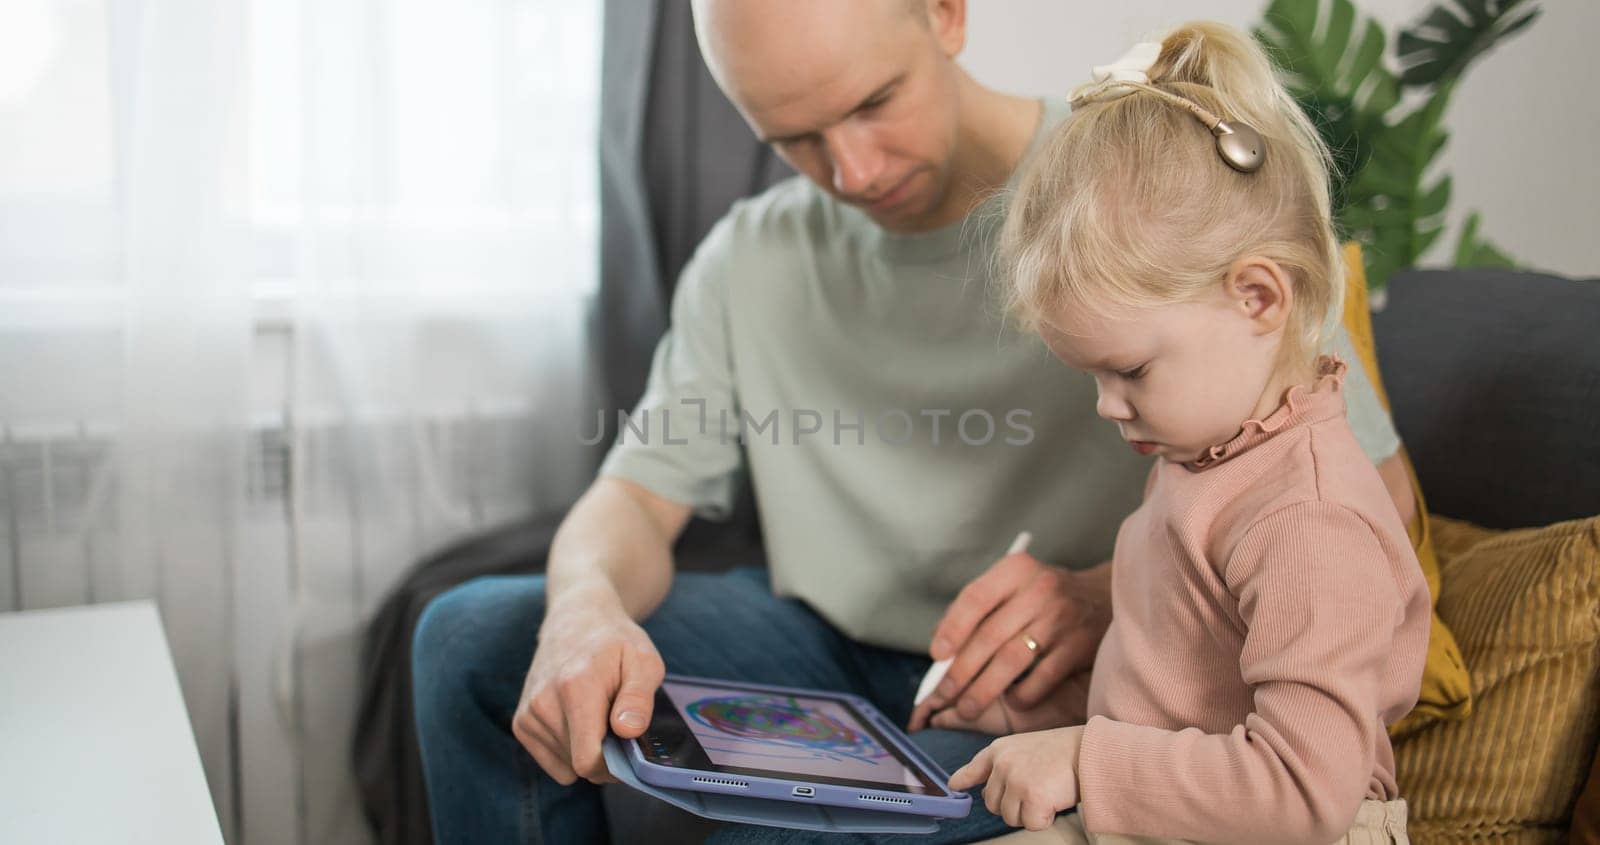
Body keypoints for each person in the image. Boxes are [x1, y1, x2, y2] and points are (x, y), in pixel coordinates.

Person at [410, 2, 1417, 842]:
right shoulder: (750, 259)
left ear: (944, 13)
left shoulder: (1152, 191)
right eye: (792, 139)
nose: (850, 170)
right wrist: (584, 609)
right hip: (822, 646)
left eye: (872, 104)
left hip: (1054, 688)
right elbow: (631, 495)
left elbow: (1375, 507)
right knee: (471, 638)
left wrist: (1100, 596)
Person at [941, 22, 1428, 844]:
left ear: (1259, 300)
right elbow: (1191, 686)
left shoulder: (1308, 517)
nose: (1107, 405)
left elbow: (1305, 793)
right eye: (1092, 376)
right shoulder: (1213, 449)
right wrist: (1046, 708)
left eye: (1129, 370)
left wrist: (1085, 757)